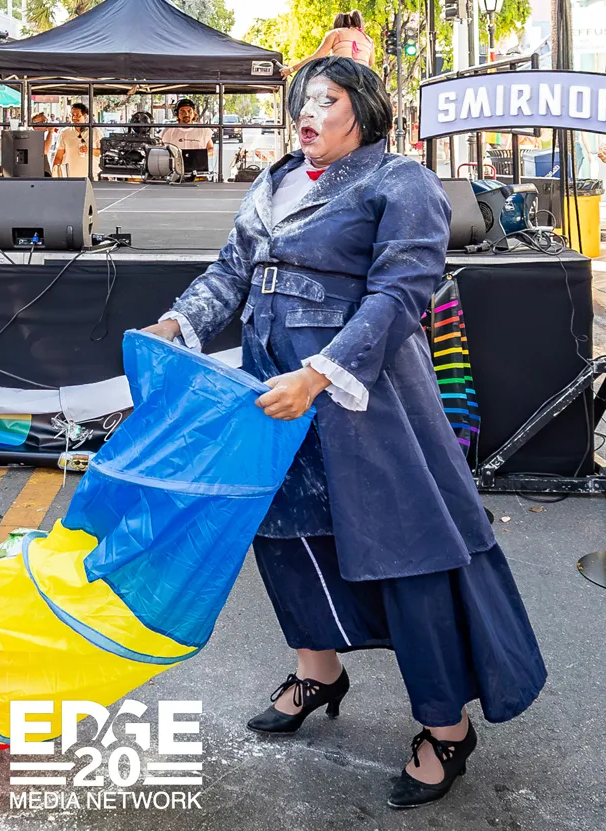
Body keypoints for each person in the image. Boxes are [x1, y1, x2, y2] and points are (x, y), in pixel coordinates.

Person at [143, 57, 546, 811]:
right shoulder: (273, 181)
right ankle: (319, 672)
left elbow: (399, 295)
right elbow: (230, 273)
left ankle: (445, 727)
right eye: (302, 100)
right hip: (274, 393)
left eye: (325, 100)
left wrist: (319, 375)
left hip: (368, 400)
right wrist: (176, 323)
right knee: (286, 538)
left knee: (407, 556)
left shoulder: (400, 181)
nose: (307, 112)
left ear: (363, 109)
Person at [280, 11, 375, 79]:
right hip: (364, 76)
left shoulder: (335, 33)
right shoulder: (369, 39)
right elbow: (371, 62)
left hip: (342, 74)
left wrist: (291, 69)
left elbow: (316, 57)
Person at [160, 98, 214, 176]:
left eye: (189, 111)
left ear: (194, 113)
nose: (186, 114)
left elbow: (211, 149)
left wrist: (198, 156)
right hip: (174, 173)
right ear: (177, 114)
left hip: (199, 172)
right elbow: (162, 150)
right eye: (182, 111)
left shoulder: (203, 130)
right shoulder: (169, 131)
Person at [53, 102, 102, 179]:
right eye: (72, 115)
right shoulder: (65, 132)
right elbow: (59, 157)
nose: (74, 118)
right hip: (69, 178)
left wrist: (89, 150)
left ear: (85, 116)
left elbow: (102, 152)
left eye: (78, 115)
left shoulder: (95, 132)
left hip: (91, 177)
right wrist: (55, 176)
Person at [31, 112, 56, 176]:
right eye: (44, 121)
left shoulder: (38, 136)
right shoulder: (33, 136)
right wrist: (50, 132)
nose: (47, 124)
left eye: (46, 121)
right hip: (39, 173)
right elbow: (45, 150)